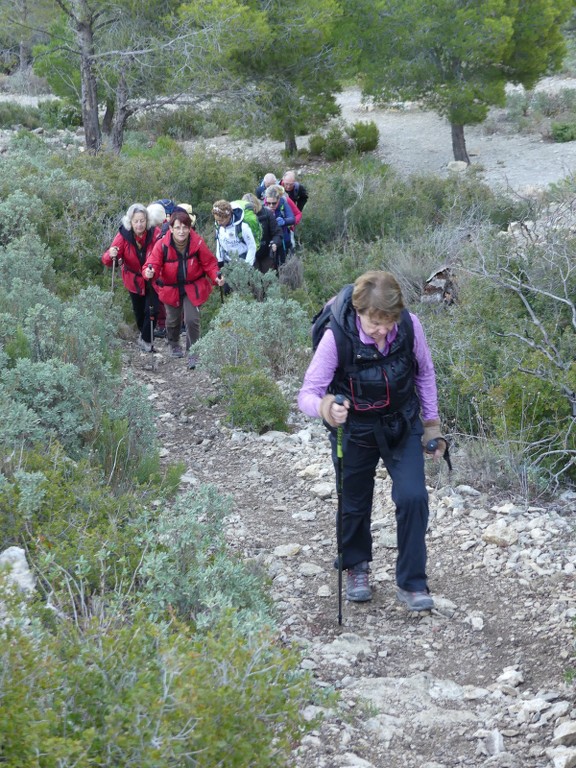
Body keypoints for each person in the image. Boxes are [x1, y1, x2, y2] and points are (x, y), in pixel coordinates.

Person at [298, 271, 446, 610]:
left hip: (401, 423)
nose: (382, 330)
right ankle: (356, 566)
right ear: (359, 311)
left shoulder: (410, 326)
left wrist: (432, 425)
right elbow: (307, 393)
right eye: (375, 323)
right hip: (355, 429)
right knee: (354, 501)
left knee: (413, 498)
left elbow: (424, 372)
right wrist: (324, 407)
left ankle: (412, 584)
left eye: (388, 322)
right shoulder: (337, 337)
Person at [142, 209, 224, 370]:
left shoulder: (197, 243)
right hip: (170, 288)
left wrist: (216, 277)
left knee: (192, 319)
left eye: (185, 227)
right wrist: (149, 272)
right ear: (171, 228)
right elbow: (152, 264)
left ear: (190, 228)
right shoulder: (162, 245)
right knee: (172, 320)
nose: (182, 231)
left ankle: (194, 352)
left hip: (193, 286)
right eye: (178, 227)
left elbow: (209, 264)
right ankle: (173, 344)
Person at [102, 203, 161, 352]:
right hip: (133, 280)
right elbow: (107, 260)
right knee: (139, 313)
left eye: (142, 220)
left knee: (153, 309)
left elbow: (164, 248)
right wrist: (111, 254)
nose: (139, 224)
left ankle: (147, 341)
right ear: (130, 222)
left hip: (151, 278)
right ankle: (143, 336)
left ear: (147, 221)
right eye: (136, 221)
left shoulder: (155, 234)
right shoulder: (123, 236)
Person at [242, 193, 282, 274]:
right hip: (250, 255)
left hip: (266, 252)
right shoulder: (241, 218)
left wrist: (275, 243)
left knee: (269, 280)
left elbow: (277, 232)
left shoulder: (267, 213)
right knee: (253, 282)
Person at [212, 200, 257, 267]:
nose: (219, 223)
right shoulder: (218, 226)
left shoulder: (243, 227)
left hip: (243, 261)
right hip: (228, 261)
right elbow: (219, 242)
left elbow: (252, 247)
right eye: (217, 220)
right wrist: (220, 260)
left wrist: (248, 266)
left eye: (221, 220)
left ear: (228, 216)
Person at [263, 186, 296, 265]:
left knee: (284, 263)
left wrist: (284, 221)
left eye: (274, 203)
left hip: (284, 239)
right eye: (268, 203)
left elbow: (292, 219)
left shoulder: (283, 203)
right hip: (269, 240)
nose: (271, 205)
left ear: (278, 199)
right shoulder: (262, 206)